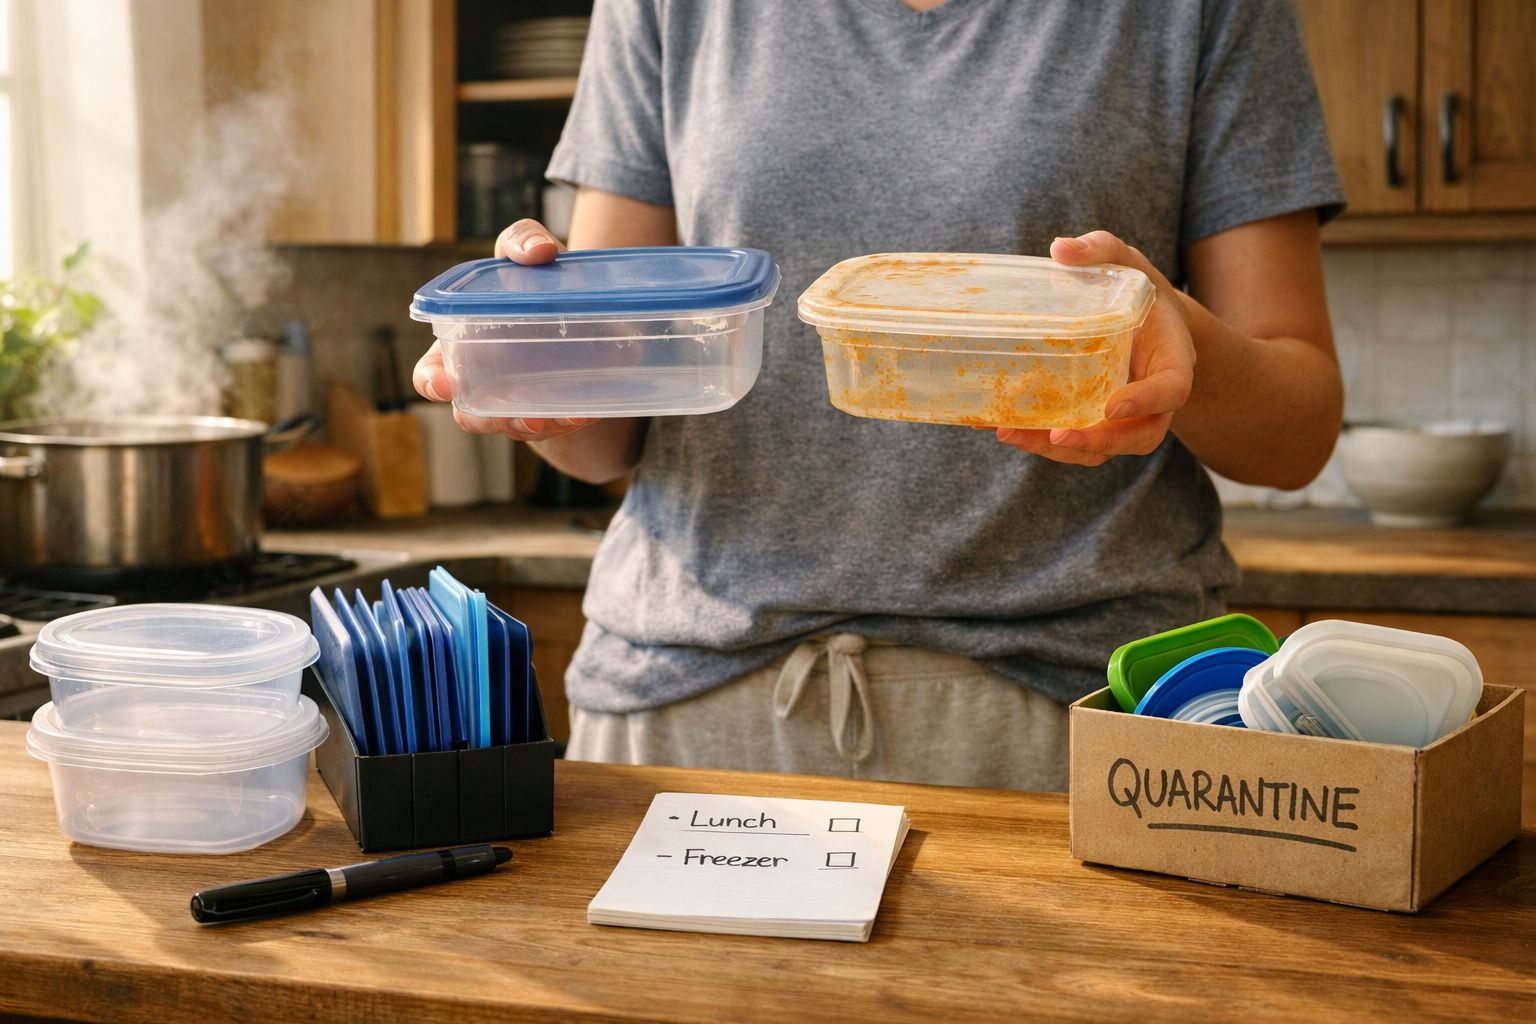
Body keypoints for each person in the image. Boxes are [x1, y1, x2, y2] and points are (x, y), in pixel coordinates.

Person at [414, 0, 1345, 790]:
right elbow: (606, 433)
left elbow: (1297, 432)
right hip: (694, 703)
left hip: (1075, 714)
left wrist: (1164, 333)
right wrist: (539, 370)